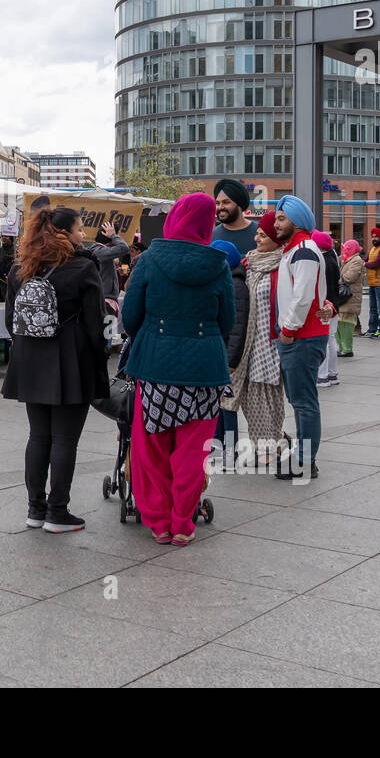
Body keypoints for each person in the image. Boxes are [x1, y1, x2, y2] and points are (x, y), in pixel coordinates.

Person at [122, 194, 232, 543]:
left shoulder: (150, 258)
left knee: (151, 446)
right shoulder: (219, 263)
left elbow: (129, 319)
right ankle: (184, 523)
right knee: (193, 449)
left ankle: (159, 522)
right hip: (206, 370)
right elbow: (226, 320)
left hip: (156, 366)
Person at [3, 205, 108, 532]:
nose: (83, 235)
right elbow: (96, 326)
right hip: (70, 360)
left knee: (38, 436)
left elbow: (11, 322)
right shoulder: (82, 268)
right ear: (64, 233)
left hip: (30, 360)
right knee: (65, 439)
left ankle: (35, 510)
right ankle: (58, 512)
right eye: (79, 229)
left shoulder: (20, 268)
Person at [273, 196, 330, 479]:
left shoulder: (303, 250)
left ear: (298, 221)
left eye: (282, 218)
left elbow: (303, 296)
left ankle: (306, 460)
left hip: (301, 338)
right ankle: (305, 458)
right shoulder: (296, 250)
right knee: (301, 400)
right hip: (300, 336)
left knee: (304, 402)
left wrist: (288, 331)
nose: (276, 223)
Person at [223, 211, 285, 463]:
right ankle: (268, 443)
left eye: (263, 235)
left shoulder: (284, 263)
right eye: (257, 234)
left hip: (271, 340)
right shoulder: (248, 263)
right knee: (249, 393)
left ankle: (271, 443)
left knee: (269, 393)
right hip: (248, 340)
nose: (257, 239)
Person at [208, 239, 247, 471]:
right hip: (220, 352)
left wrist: (231, 361)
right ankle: (218, 444)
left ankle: (230, 450)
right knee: (219, 403)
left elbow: (238, 326)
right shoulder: (226, 281)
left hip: (228, 356)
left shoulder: (235, 284)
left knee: (228, 405)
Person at [84, 221, 130, 346]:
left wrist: (116, 271)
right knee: (105, 341)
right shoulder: (99, 251)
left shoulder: (98, 251)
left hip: (105, 302)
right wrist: (114, 235)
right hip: (105, 304)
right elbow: (124, 248)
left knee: (106, 338)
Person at [313, 230, 341, 388]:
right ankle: (332, 373)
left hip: (325, 305)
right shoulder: (332, 258)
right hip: (334, 305)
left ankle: (322, 375)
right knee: (330, 339)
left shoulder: (322, 261)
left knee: (324, 340)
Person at [211, 178, 258, 256]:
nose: (220, 207)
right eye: (217, 203)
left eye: (226, 202)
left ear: (239, 204)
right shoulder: (211, 236)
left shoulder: (260, 233)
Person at [337, 239, 365, 358]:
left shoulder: (356, 260)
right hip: (344, 296)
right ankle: (342, 347)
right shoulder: (347, 259)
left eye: (347, 248)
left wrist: (337, 279)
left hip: (351, 296)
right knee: (339, 324)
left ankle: (347, 349)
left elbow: (350, 277)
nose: (345, 250)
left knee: (346, 325)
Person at [0, 235, 15, 301]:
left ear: (11, 238)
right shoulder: (1, 250)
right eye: (2, 236)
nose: (4, 238)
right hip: (2, 279)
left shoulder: (15, 250)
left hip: (12, 279)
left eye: (6, 236)